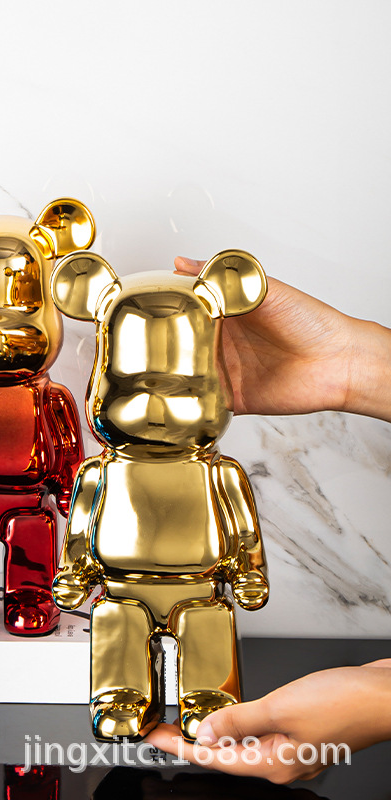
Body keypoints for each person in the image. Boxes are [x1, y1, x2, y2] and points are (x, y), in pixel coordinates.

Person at [144, 257, 391, 783]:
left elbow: (242, 528)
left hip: (204, 590)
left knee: (208, 626)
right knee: (121, 629)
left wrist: (249, 571)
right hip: (128, 590)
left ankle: (207, 695)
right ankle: (120, 694)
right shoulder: (108, 470)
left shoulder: (219, 471)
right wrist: (352, 363)